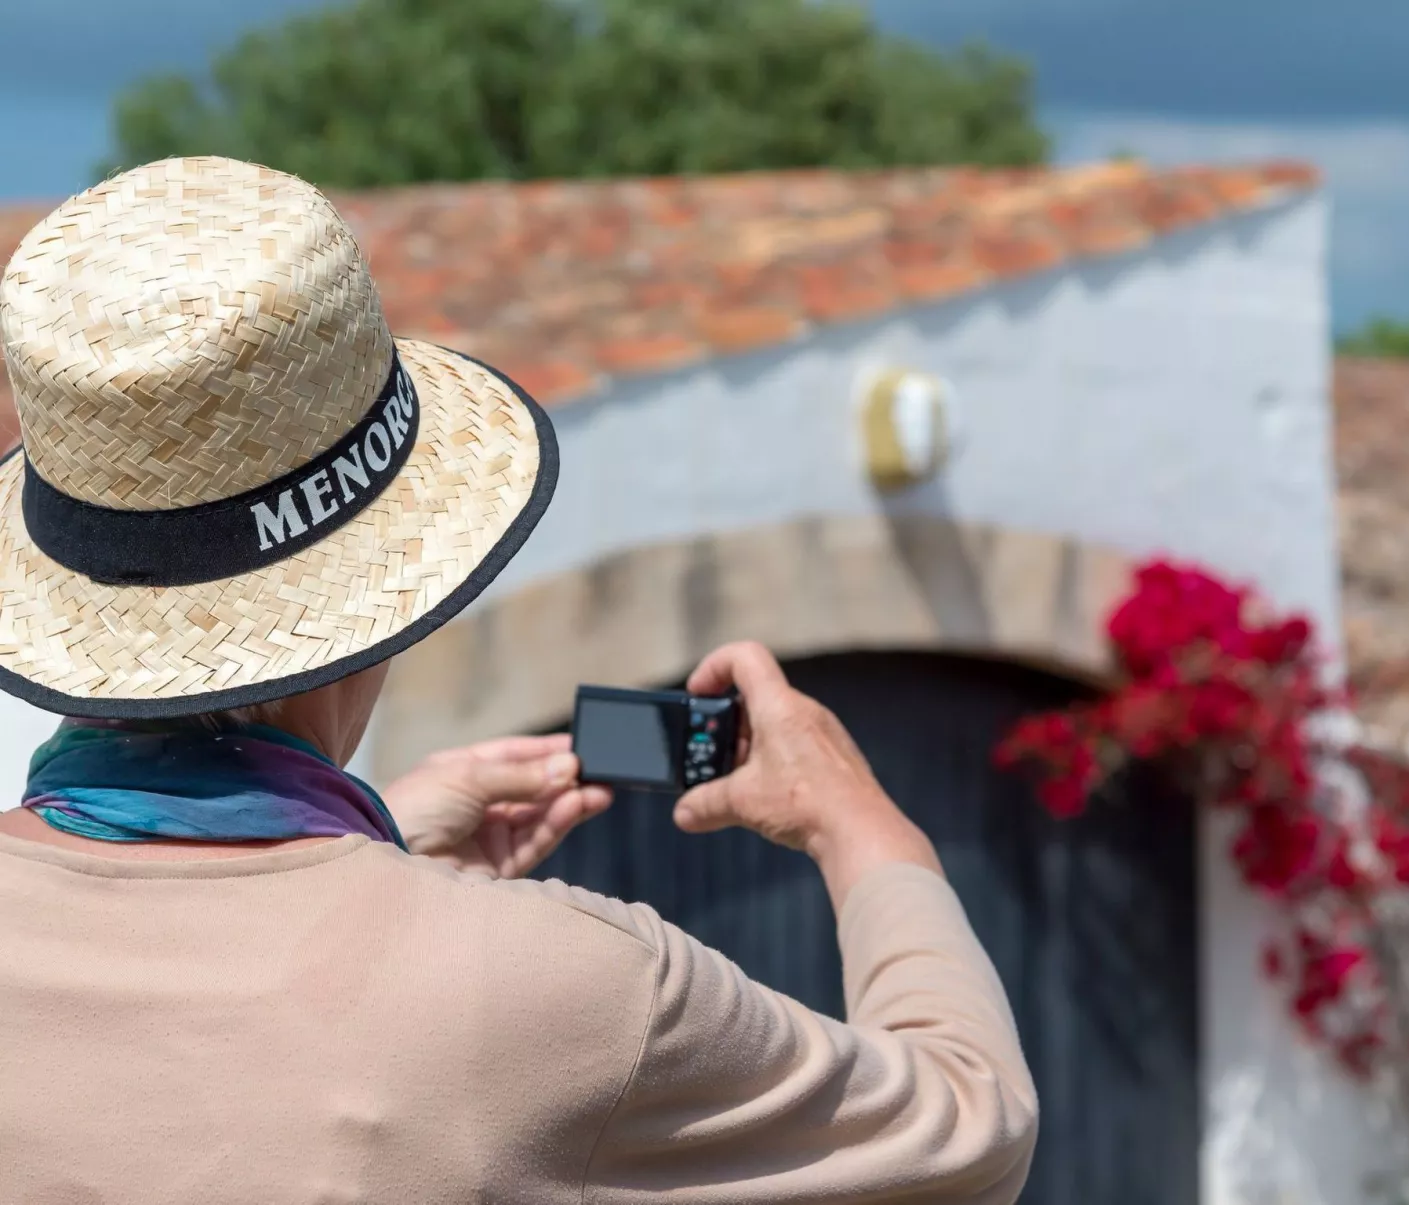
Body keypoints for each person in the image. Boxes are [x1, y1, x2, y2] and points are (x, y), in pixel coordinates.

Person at [0, 156, 1037, 1202]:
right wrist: (861, 826)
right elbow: (970, 1132)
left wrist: (385, 854)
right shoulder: (575, 988)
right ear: (393, 578)